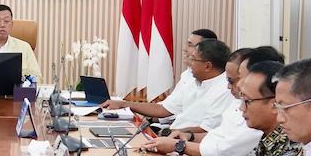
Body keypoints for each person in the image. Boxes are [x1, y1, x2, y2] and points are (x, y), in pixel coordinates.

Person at [144, 61, 303, 156]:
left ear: (274, 104)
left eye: (247, 101)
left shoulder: (294, 146)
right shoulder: (268, 136)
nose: (241, 108)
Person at [142, 45, 283, 156]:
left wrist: (180, 147)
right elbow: (218, 138)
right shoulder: (241, 103)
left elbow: (223, 154)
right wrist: (189, 138)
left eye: (241, 78)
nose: (240, 86)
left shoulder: (260, 123)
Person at [99, 38, 235, 134]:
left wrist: (164, 134)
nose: (190, 63)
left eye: (193, 59)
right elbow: (163, 109)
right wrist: (124, 104)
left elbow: (206, 130)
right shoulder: (193, 80)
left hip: (186, 146)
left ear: (207, 66)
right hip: (171, 137)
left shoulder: (225, 91)